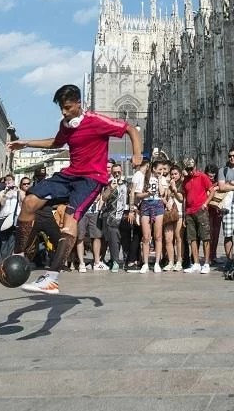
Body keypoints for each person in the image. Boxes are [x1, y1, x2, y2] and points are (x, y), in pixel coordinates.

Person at [8, 84, 142, 295]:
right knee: (29, 201)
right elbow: (56, 142)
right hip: (70, 174)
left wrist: (137, 154)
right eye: (61, 108)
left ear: (79, 103)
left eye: (68, 107)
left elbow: (130, 129)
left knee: (70, 221)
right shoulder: (66, 124)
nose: (64, 112)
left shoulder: (97, 121)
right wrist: (26, 143)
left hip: (91, 179)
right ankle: (18, 254)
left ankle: (51, 278)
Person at [135, 157, 169, 273]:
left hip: (158, 205)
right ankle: (145, 263)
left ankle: (157, 263)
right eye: (159, 169)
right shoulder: (144, 178)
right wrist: (147, 193)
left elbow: (163, 193)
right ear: (153, 168)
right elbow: (137, 195)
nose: (161, 171)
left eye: (162, 170)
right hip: (146, 205)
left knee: (158, 236)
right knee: (146, 236)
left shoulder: (162, 179)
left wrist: (159, 179)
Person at [181, 158, 213, 273]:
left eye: (191, 168)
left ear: (195, 166)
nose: (190, 171)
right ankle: (196, 263)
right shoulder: (185, 181)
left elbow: (211, 190)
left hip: (201, 211)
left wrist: (205, 204)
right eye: (188, 169)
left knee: (205, 237)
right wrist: (185, 214)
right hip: (189, 212)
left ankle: (206, 263)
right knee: (192, 238)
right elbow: (185, 198)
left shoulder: (202, 176)